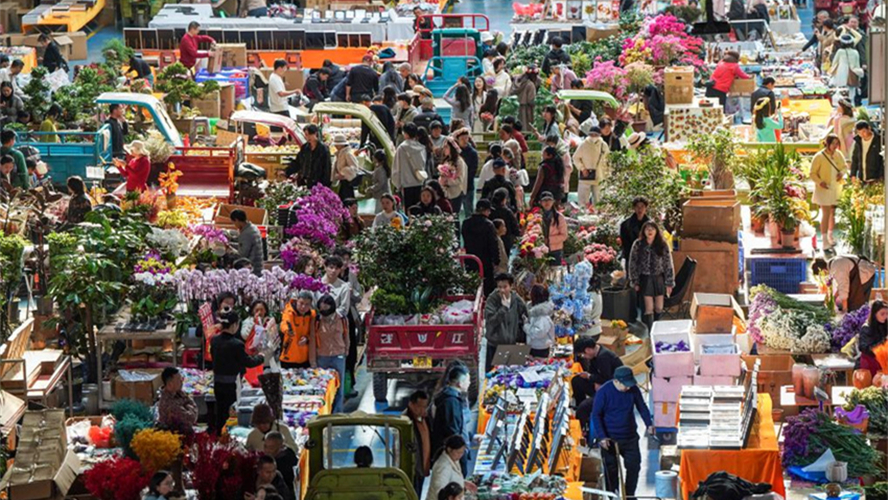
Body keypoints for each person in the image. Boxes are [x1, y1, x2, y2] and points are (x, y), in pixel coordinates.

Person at [592, 366, 654, 498]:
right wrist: (602, 437)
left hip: (630, 436)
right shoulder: (604, 392)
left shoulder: (633, 390)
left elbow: (642, 407)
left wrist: (649, 424)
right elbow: (596, 415)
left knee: (634, 467)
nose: (628, 388)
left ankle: (629, 495)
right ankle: (613, 495)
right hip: (610, 439)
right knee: (611, 471)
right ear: (616, 381)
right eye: (625, 385)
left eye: (630, 384)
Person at [211, 308, 265, 433]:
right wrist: (261, 357)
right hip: (232, 385)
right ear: (234, 325)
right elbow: (248, 362)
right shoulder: (236, 344)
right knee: (233, 413)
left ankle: (219, 435)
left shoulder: (214, 341)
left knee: (220, 412)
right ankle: (230, 436)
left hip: (218, 383)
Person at [629, 221, 676, 329]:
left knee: (659, 307)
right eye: (647, 229)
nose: (650, 231)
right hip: (645, 279)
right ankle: (650, 331)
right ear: (644, 231)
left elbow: (668, 263)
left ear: (656, 231)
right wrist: (635, 280)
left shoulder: (662, 244)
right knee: (648, 308)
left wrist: (669, 282)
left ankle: (657, 328)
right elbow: (633, 263)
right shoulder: (638, 244)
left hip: (658, 278)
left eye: (652, 229)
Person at [572, 335, 623, 427]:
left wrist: (590, 377)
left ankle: (583, 427)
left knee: (583, 408)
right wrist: (592, 379)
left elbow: (607, 378)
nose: (584, 357)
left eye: (583, 354)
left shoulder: (604, 357)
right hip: (601, 384)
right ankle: (580, 404)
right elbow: (594, 372)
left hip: (612, 391)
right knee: (577, 381)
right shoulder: (596, 353)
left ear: (588, 350)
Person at [310, 294, 349, 412]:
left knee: (339, 387)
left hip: (338, 355)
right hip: (322, 356)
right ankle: (325, 412)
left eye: (326, 310)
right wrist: (313, 360)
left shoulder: (342, 319)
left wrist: (346, 350)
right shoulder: (316, 321)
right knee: (323, 387)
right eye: (321, 310)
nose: (324, 314)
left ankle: (338, 412)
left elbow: (346, 336)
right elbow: (312, 339)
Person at [484, 272, 528, 371]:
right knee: (493, 377)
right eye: (499, 287)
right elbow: (491, 321)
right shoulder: (492, 300)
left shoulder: (516, 299)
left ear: (511, 286)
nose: (502, 290)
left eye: (505, 287)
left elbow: (525, 313)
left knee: (513, 375)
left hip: (512, 344)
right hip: (496, 346)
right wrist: (503, 309)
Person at [432, 367, 471, 475]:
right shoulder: (451, 401)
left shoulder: (451, 398)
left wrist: (471, 436)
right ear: (460, 383)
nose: (469, 383)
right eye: (468, 380)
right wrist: (460, 450)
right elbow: (452, 429)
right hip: (453, 454)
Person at [811, 134, 846, 250]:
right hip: (824, 188)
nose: (835, 146)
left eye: (837, 143)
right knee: (825, 214)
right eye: (833, 143)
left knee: (832, 213)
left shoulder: (838, 154)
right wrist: (820, 182)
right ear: (827, 143)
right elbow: (812, 173)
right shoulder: (819, 156)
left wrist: (841, 173)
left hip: (835, 187)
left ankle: (830, 236)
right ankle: (824, 240)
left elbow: (844, 166)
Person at [462, 199, 500, 296]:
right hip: (485, 260)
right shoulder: (488, 224)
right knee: (487, 288)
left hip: (470, 259)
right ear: (485, 211)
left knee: (472, 286)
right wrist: (496, 260)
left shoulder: (466, 223)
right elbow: (493, 244)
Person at [812, 256, 877, 312]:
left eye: (823, 275)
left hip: (865, 273)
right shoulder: (834, 263)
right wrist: (835, 297)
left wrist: (844, 310)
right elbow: (841, 284)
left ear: (823, 271)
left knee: (856, 306)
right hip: (863, 273)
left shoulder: (836, 266)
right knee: (854, 306)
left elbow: (843, 287)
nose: (825, 276)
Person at [392, 123, 428, 210]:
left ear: (405, 134)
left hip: (406, 183)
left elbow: (397, 167)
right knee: (418, 208)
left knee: (408, 209)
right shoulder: (422, 147)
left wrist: (397, 184)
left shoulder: (402, 148)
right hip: (419, 181)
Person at [574, 126, 609, 208]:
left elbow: (608, 160)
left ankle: (599, 216)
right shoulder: (583, 144)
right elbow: (576, 158)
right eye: (591, 134)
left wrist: (607, 174)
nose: (593, 137)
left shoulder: (603, 145)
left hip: (599, 175)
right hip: (586, 175)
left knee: (599, 200)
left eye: (595, 135)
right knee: (583, 201)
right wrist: (582, 168)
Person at [405, 390, 432, 496]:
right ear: (411, 404)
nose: (423, 410)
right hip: (412, 470)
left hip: (422, 468)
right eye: (420, 407)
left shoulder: (424, 418)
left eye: (425, 407)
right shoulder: (405, 422)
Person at [156, 367, 198, 434]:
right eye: (179, 380)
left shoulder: (178, 393)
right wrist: (188, 406)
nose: (181, 382)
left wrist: (188, 405)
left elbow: (190, 402)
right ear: (170, 384)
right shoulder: (168, 403)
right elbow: (191, 418)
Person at [278, 291, 314, 369]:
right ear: (297, 301)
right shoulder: (289, 312)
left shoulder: (312, 315)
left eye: (307, 304)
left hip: (305, 358)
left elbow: (315, 333)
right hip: (288, 357)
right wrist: (288, 330)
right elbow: (284, 323)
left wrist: (307, 338)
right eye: (301, 303)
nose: (303, 307)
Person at [524, 285, 555, 359]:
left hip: (540, 348)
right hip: (535, 346)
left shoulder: (542, 314)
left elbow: (539, 332)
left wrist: (526, 326)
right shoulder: (535, 312)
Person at [831, 34, 863, 104]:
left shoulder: (840, 51)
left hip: (841, 74)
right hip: (852, 74)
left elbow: (834, 63)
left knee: (841, 94)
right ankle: (851, 108)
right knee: (851, 94)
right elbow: (857, 65)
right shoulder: (855, 52)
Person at [230, 209, 264, 276]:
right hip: (259, 266)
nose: (234, 225)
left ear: (237, 220)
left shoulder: (246, 233)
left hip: (253, 269)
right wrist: (230, 245)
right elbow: (243, 245)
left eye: (233, 223)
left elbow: (242, 254)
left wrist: (231, 250)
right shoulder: (252, 227)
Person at [438, 136, 467, 214]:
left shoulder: (459, 162)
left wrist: (447, 181)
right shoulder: (446, 160)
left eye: (446, 147)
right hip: (445, 192)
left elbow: (460, 180)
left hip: (455, 193)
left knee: (454, 216)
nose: (444, 149)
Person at [454, 129, 479, 218]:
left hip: (468, 186)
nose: (465, 140)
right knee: (455, 212)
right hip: (455, 185)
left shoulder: (473, 153)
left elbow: (473, 170)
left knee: (469, 211)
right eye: (462, 138)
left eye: (466, 138)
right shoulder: (454, 152)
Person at [859, 301, 887, 376]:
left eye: (887, 314)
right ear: (875, 314)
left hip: (883, 364)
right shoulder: (866, 328)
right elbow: (863, 347)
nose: (885, 316)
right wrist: (883, 343)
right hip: (869, 364)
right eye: (882, 314)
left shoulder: (885, 325)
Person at [539, 192, 568, 266]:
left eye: (549, 200)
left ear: (553, 201)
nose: (547, 202)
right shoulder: (537, 216)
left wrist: (548, 240)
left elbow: (564, 236)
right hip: (540, 250)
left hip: (555, 250)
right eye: (544, 200)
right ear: (540, 202)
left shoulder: (559, 217)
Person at [491, 188, 520, 253]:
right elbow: (515, 228)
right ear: (504, 200)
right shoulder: (507, 212)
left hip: (491, 241)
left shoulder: (490, 211)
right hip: (506, 241)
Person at [331, 135, 359, 201]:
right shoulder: (339, 154)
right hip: (342, 182)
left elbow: (354, 168)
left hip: (347, 182)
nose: (336, 146)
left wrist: (343, 172)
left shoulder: (347, 154)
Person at [512, 66, 539, 134]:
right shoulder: (530, 85)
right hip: (526, 110)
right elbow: (531, 100)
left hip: (515, 108)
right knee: (526, 129)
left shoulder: (516, 81)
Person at [367, 149, 392, 214]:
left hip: (382, 195)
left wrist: (371, 189)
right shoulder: (379, 167)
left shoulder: (380, 170)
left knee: (379, 212)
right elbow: (373, 174)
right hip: (381, 195)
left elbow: (380, 183)